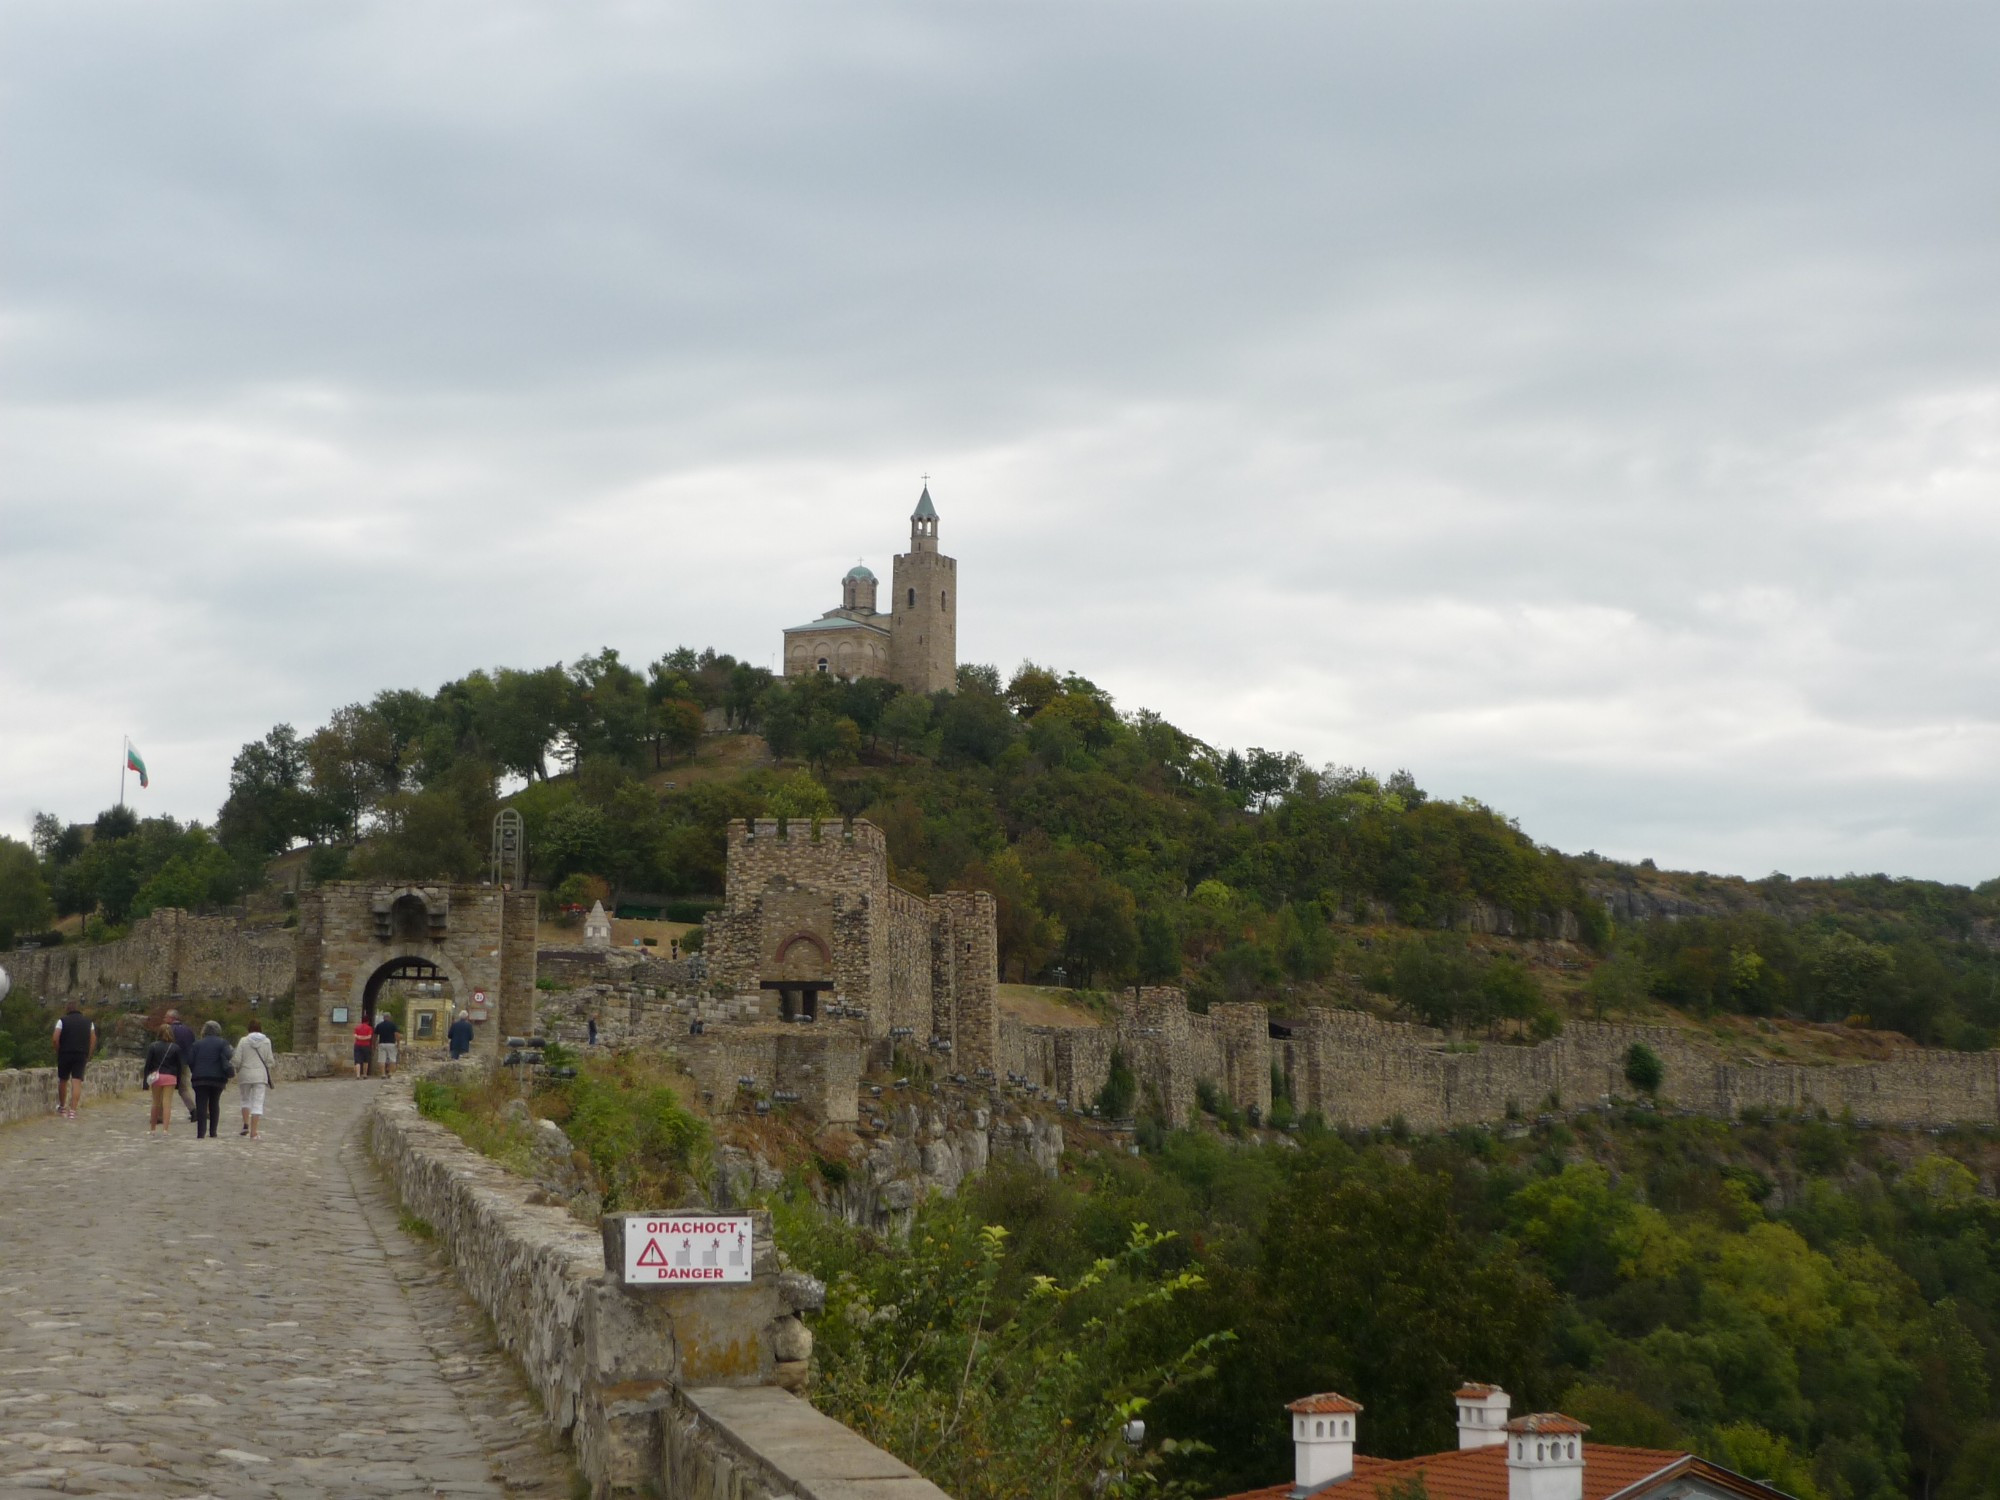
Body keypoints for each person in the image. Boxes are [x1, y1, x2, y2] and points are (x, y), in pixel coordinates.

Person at [186, 1020, 234, 1140]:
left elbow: (190, 1060)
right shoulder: (223, 1043)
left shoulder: (197, 1044)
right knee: (214, 1103)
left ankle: (200, 1133)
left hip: (200, 1078)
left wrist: (195, 1070)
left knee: (201, 1104)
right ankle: (213, 1132)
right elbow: (229, 1055)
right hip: (218, 1079)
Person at [233, 1017, 277, 1139]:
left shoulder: (243, 1041)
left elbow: (237, 1059)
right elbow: (269, 1060)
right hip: (260, 1075)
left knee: (245, 1099)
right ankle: (254, 1132)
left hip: (245, 1074)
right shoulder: (267, 1041)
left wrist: (238, 1069)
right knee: (258, 1102)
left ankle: (246, 1124)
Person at [51, 1002, 96, 1120]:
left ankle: (62, 1107)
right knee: (77, 1081)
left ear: (67, 1010)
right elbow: (93, 1039)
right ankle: (73, 1110)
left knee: (63, 1080)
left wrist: (58, 1051)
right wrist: (88, 1054)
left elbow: (55, 1039)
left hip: (65, 1053)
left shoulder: (62, 1021)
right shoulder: (88, 1022)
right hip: (81, 1055)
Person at [141, 1024, 184, 1136]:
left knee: (155, 1103)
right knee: (167, 1103)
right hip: (170, 1077)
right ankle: (165, 1129)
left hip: (156, 1077)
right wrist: (179, 1082)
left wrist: (145, 1082)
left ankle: (153, 1129)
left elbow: (148, 1065)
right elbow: (180, 1067)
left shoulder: (153, 1046)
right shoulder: (175, 1048)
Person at [166, 1008, 198, 1123]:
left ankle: (161, 1115)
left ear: (171, 1018)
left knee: (165, 1088)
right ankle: (193, 1110)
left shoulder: (169, 1030)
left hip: (172, 1063)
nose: (165, 1019)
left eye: (166, 1017)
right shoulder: (188, 1030)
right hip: (186, 1062)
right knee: (183, 1087)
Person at [374, 1011, 399, 1077]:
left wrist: (374, 1044)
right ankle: (390, 1073)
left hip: (382, 1043)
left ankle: (383, 1074)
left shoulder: (379, 1025)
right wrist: (398, 1043)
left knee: (381, 1059)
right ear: (389, 1017)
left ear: (383, 1017)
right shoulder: (393, 1025)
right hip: (391, 1043)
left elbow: (375, 1036)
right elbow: (396, 1035)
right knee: (392, 1059)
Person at [351, 1012, 375, 1079]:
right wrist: (364, 1038)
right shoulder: (369, 1028)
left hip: (358, 1045)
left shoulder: (357, 1027)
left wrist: (359, 1037)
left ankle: (358, 1075)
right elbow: (369, 1037)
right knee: (366, 1060)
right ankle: (365, 1074)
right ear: (368, 1021)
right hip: (366, 1045)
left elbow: (355, 1035)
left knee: (357, 1060)